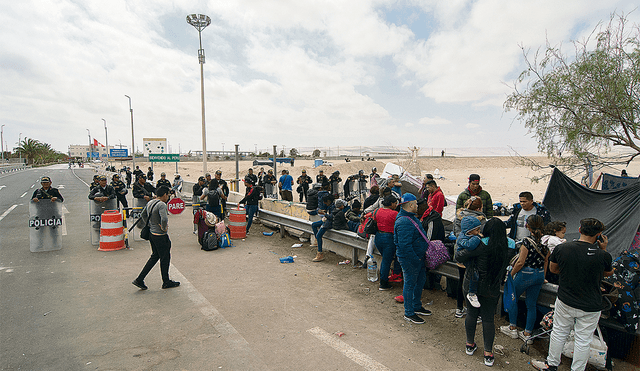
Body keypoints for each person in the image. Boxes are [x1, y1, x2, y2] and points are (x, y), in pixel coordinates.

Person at [531, 218, 613, 371]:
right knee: (583, 340)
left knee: (559, 332)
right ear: (599, 235)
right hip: (591, 304)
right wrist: (604, 249)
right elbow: (608, 273)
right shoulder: (603, 256)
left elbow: (553, 269)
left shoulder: (563, 249)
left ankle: (552, 364)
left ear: (580, 229)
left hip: (566, 299)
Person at [455, 218, 509, 367]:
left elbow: (458, 257)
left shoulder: (480, 244)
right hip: (492, 287)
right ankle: (488, 354)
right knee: (488, 319)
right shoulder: (509, 246)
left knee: (471, 314)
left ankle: (469, 345)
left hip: (473, 284)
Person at [501, 215, 549, 344]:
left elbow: (521, 262)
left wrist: (511, 274)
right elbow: (546, 261)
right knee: (531, 305)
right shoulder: (545, 242)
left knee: (513, 298)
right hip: (539, 275)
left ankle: (512, 328)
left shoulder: (526, 241)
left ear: (527, 226)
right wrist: (543, 276)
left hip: (525, 273)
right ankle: (527, 333)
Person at [131, 186, 180, 290]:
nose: (168, 197)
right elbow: (164, 218)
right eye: (168, 195)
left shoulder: (150, 202)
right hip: (160, 236)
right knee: (165, 257)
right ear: (164, 194)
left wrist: (150, 224)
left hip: (152, 234)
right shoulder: (162, 204)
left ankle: (140, 278)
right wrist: (163, 228)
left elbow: (143, 214)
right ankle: (166, 281)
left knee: (155, 256)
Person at [394, 193, 432, 323]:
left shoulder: (410, 218)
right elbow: (405, 246)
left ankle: (416, 306)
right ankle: (409, 312)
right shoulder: (404, 221)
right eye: (416, 204)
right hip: (410, 259)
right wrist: (416, 259)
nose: (417, 206)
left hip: (417, 258)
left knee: (419, 281)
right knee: (410, 284)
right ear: (410, 205)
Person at [457, 216, 484, 308]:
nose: (479, 232)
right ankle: (472, 293)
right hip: (465, 259)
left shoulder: (468, 235)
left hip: (469, 258)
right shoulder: (463, 238)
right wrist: (478, 238)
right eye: (477, 230)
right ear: (469, 231)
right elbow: (470, 246)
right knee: (474, 274)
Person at [375, 195, 399, 290]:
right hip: (389, 238)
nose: (396, 205)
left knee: (385, 259)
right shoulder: (395, 214)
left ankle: (384, 279)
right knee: (386, 261)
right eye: (395, 203)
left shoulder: (377, 211)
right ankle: (383, 283)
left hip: (378, 237)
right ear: (392, 203)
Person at [310, 194, 335, 262]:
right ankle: (317, 241)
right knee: (314, 225)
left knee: (319, 235)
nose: (324, 203)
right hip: (326, 220)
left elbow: (331, 217)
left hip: (329, 222)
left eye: (325, 202)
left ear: (329, 201)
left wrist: (324, 214)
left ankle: (320, 253)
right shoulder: (329, 206)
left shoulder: (333, 207)